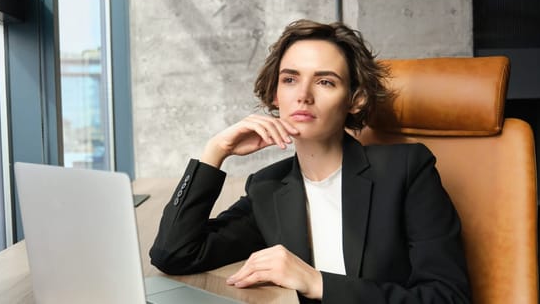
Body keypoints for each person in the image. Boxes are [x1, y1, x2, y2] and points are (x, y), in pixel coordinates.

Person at [150, 19, 471, 303]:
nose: (303, 94)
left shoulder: (405, 170)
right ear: (275, 95)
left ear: (356, 99)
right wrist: (215, 151)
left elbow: (448, 297)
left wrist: (315, 282)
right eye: (289, 79)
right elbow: (175, 253)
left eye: (325, 81)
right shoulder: (268, 188)